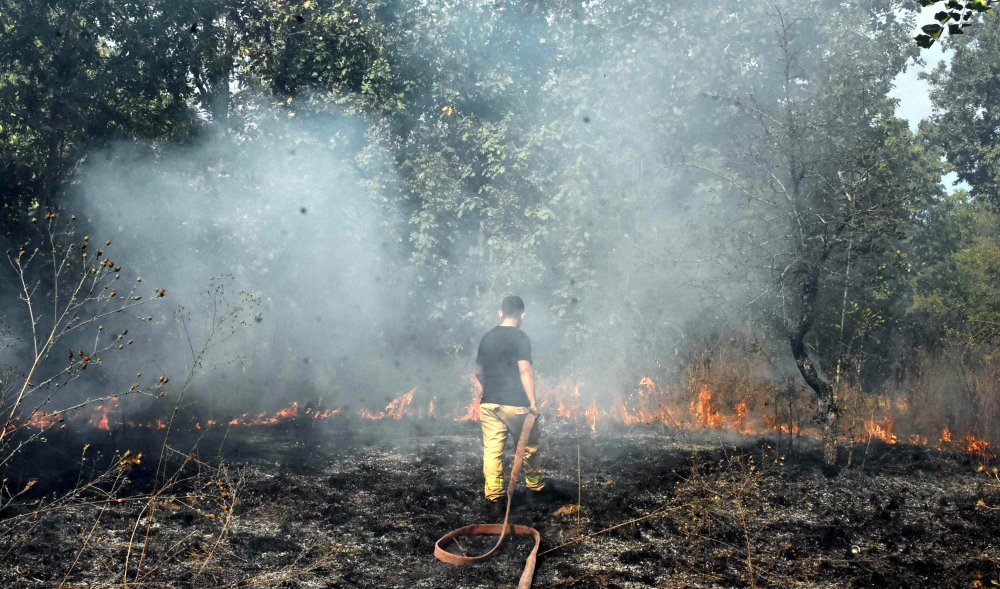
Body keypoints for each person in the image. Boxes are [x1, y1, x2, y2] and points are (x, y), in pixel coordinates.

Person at [472, 295, 545, 503]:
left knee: (492, 451)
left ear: (500, 313)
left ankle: (494, 496)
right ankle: (535, 488)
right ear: (523, 315)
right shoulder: (521, 338)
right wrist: (532, 403)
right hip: (516, 404)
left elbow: (477, 371)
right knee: (529, 447)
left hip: (489, 403)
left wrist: (486, 391)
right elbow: (525, 371)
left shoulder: (487, 337)